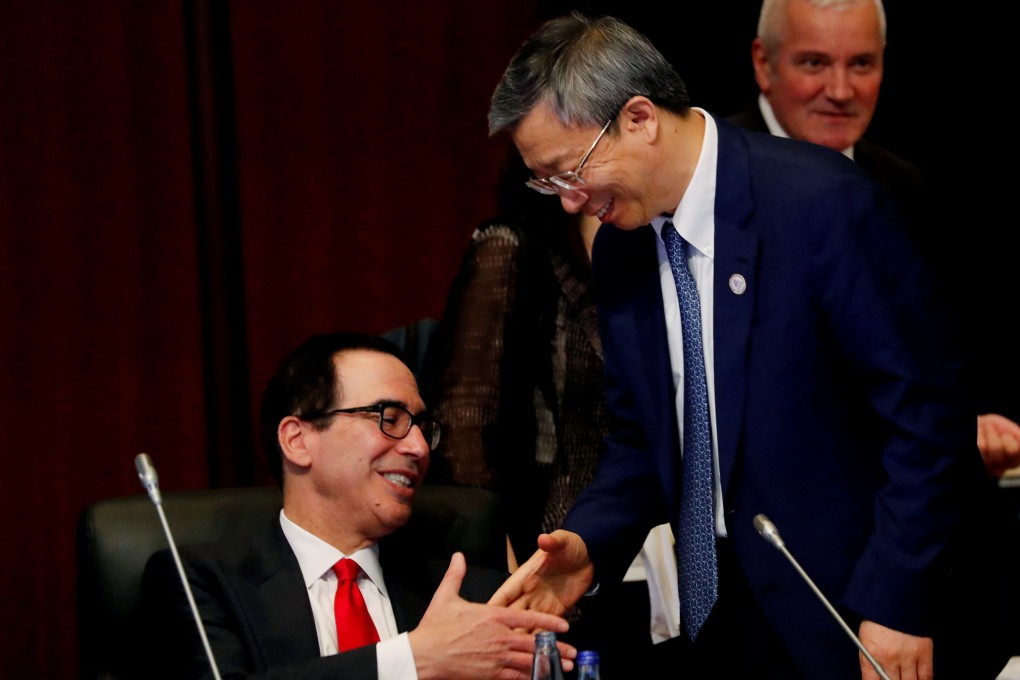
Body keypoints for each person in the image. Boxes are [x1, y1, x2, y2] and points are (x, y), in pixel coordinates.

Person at [484, 11, 1017, 680]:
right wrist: (588, 542)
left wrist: (899, 602)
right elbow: (644, 440)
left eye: (570, 172)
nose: (568, 202)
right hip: (724, 618)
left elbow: (926, 423)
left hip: (855, 611)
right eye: (548, 183)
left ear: (640, 120)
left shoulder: (824, 205)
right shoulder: (623, 249)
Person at [140, 332, 575, 680]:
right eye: (390, 417)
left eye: (423, 427)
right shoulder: (201, 584)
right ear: (298, 439)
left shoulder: (473, 599)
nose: (419, 447)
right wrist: (411, 662)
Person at [729, 0, 1020, 477]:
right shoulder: (712, 179)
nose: (841, 91)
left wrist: (965, 421)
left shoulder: (904, 186)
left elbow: (935, 355)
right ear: (764, 63)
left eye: (861, 63)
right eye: (815, 63)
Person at [421, 148, 680, 676]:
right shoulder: (512, 245)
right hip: (556, 575)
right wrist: (506, 572)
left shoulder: (664, 234)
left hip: (668, 564)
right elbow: (465, 427)